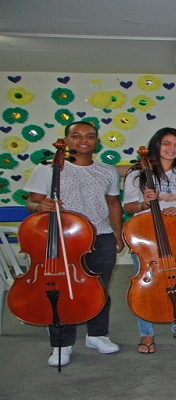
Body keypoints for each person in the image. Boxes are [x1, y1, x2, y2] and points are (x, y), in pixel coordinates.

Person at [24, 121, 124, 366]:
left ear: (96, 141)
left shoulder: (107, 170)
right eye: (76, 135)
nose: (84, 140)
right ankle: (61, 344)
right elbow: (32, 202)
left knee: (98, 288)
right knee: (60, 290)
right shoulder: (48, 168)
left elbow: (113, 204)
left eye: (90, 136)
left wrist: (118, 235)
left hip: (100, 235)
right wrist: (41, 206)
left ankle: (97, 335)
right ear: (67, 140)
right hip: (63, 236)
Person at [123, 127, 176, 353]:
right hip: (147, 240)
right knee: (146, 289)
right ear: (157, 145)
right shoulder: (136, 173)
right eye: (167, 144)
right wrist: (144, 204)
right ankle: (146, 334)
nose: (172, 149)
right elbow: (128, 206)